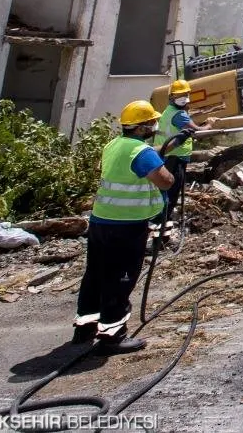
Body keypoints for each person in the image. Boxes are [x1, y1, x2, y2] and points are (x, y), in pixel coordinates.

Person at [73, 101, 172, 353]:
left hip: (100, 222)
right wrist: (166, 170)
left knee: (96, 274)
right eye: (151, 122)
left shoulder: (113, 145)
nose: (154, 125)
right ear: (141, 128)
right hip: (126, 226)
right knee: (121, 278)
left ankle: (85, 327)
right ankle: (112, 335)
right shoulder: (141, 152)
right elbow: (165, 181)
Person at [151, 79, 209, 224]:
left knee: (167, 191)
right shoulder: (178, 115)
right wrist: (210, 123)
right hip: (174, 157)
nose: (184, 97)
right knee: (171, 191)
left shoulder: (169, 111)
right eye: (180, 95)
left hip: (168, 156)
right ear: (172, 96)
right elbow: (199, 132)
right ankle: (160, 224)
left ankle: (159, 221)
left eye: (186, 94)